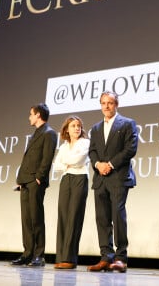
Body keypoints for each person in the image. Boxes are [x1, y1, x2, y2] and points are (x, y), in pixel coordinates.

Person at [87, 91, 138, 273]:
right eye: (103, 103)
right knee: (102, 218)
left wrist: (110, 164)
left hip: (119, 177)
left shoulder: (128, 123)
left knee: (118, 216)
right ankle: (105, 257)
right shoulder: (95, 128)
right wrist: (98, 164)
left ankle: (120, 257)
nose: (106, 106)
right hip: (100, 178)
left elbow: (130, 149)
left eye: (110, 103)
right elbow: (92, 151)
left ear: (116, 104)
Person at [11, 103, 57, 267]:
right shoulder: (35, 133)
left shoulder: (49, 133)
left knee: (36, 218)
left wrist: (39, 177)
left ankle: (39, 255)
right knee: (26, 219)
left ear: (38, 115)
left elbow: (47, 157)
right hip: (25, 181)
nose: (29, 117)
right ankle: (27, 253)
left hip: (36, 181)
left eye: (31, 114)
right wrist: (20, 179)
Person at [52, 115, 90, 270]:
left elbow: (78, 160)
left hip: (80, 178)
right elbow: (56, 166)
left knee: (74, 217)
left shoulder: (85, 142)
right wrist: (67, 161)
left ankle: (70, 258)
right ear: (67, 129)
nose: (76, 128)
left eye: (78, 125)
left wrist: (66, 161)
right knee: (63, 216)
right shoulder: (63, 146)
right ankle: (60, 256)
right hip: (66, 179)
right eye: (73, 125)